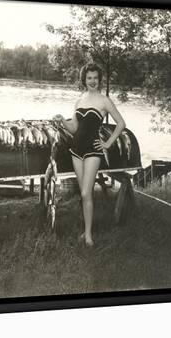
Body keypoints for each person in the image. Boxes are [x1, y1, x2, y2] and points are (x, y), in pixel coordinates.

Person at [53, 63, 126, 247]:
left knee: (86, 192)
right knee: (83, 194)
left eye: (95, 78)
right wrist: (62, 120)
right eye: (89, 78)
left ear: (99, 80)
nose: (92, 81)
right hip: (76, 150)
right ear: (84, 80)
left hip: (93, 151)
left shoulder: (104, 101)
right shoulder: (79, 101)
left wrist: (107, 143)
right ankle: (85, 231)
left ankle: (88, 236)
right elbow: (74, 128)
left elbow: (121, 123)